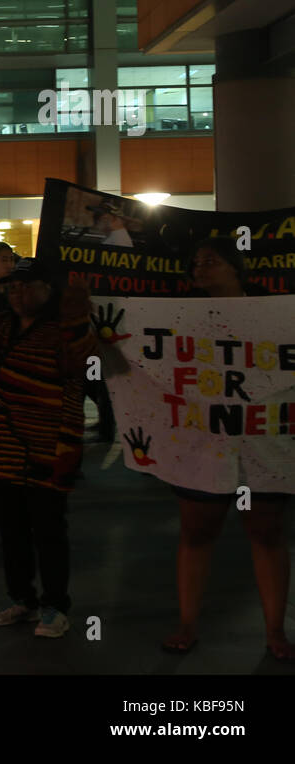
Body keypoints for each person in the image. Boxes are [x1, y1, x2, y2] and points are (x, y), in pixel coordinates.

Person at [161, 237, 290, 659]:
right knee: (196, 531)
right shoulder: (179, 315)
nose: (199, 267)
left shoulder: (277, 312)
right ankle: (187, 622)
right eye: (195, 262)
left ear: (237, 268)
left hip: (263, 439)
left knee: (267, 532)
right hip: (204, 439)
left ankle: (275, 630)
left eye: (210, 260)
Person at [0, 258, 95, 639]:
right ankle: (22, 599)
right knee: (11, 532)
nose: (17, 293)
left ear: (48, 289)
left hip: (47, 451)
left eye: (25, 286)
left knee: (49, 532)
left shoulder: (67, 330)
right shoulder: (0, 328)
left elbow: (82, 368)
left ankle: (55, 605)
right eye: (11, 287)